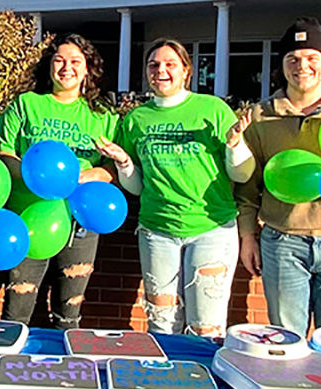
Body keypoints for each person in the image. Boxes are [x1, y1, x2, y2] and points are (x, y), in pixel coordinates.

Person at [98, 38, 253, 337]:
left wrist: (234, 144)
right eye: (154, 65)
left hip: (212, 230)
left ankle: (201, 380)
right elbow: (136, 187)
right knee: (161, 324)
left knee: (206, 328)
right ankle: (165, 380)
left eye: (170, 64)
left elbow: (243, 174)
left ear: (186, 71)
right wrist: (123, 162)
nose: (161, 71)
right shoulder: (136, 120)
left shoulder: (213, 109)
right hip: (157, 231)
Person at [0, 33, 120, 329]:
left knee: (68, 315)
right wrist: (35, 176)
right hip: (28, 219)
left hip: (80, 223)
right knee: (17, 311)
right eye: (59, 60)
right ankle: (10, 370)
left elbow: (111, 169)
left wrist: (79, 178)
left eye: (76, 61)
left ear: (88, 68)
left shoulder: (102, 115)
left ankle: (67, 373)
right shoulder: (26, 105)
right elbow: (3, 152)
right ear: (49, 65)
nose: (67, 67)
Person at [235, 17, 321, 338]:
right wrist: (247, 237)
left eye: (312, 57)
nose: (302, 65)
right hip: (282, 242)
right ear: (282, 65)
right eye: (293, 58)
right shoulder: (259, 115)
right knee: (286, 341)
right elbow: (247, 187)